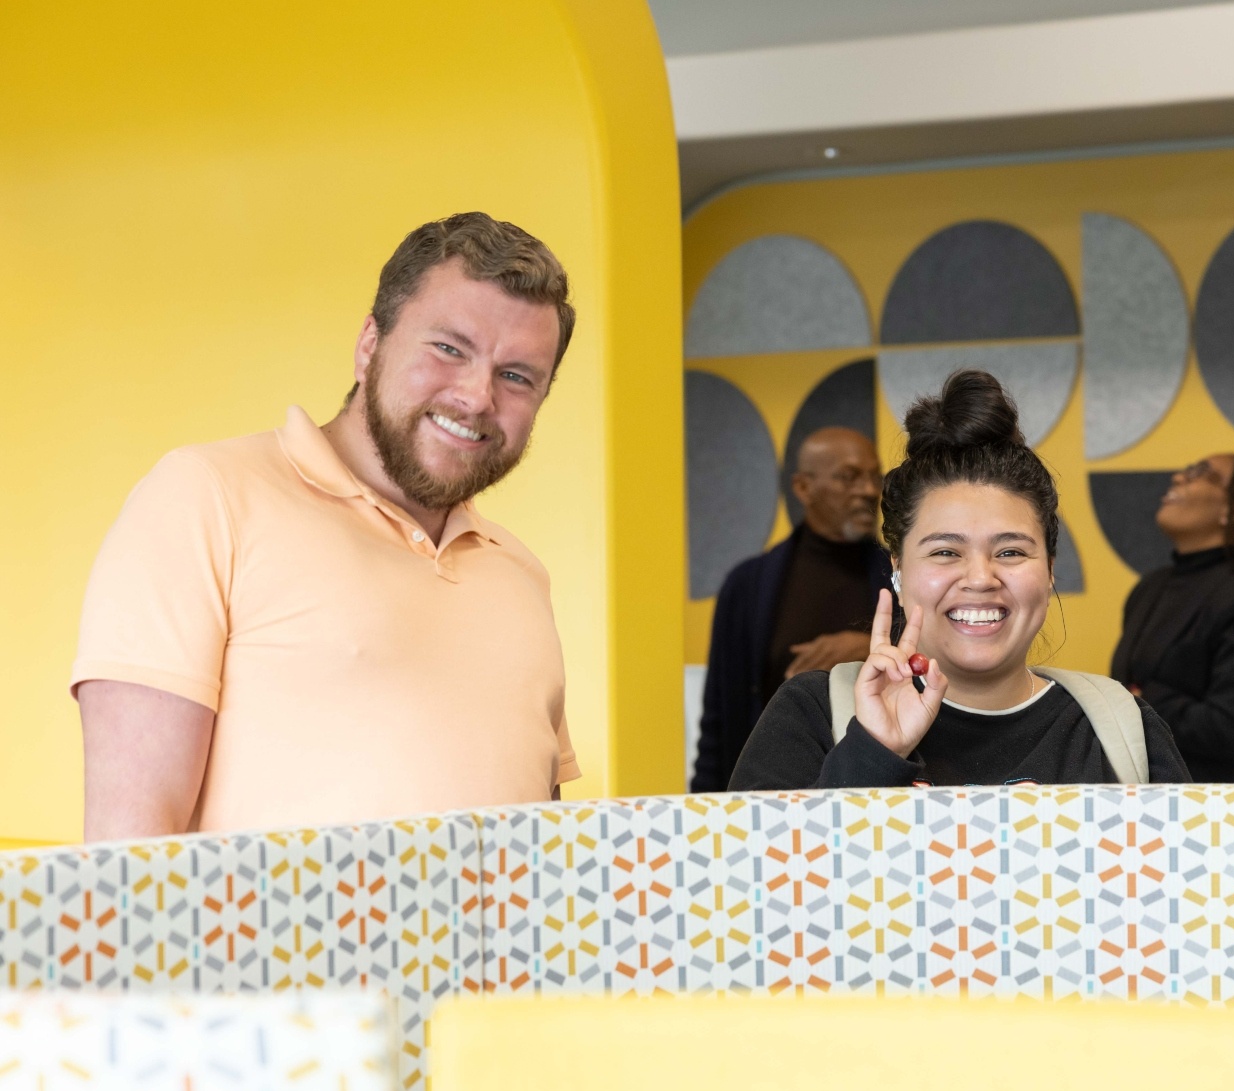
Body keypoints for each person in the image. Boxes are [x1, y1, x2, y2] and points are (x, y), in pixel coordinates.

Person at [73, 213, 581, 838]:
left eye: (516, 377)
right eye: (449, 348)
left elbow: (550, 859)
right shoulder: (205, 497)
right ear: (371, 345)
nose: (478, 397)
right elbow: (127, 859)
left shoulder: (521, 575)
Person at [730, 369, 1190, 789]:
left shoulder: (1121, 727)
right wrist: (873, 754)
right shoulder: (812, 714)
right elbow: (759, 878)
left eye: (1010, 551)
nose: (980, 577)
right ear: (898, 569)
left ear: (1049, 570)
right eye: (946, 551)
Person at [690, 427, 890, 791]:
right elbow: (718, 724)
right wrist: (704, 816)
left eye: (874, 477)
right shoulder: (746, 586)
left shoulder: (900, 574)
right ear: (803, 488)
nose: (868, 491)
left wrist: (866, 648)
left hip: (875, 787)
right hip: (766, 795)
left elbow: (938, 667)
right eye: (849, 477)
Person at [1111, 455, 1234, 780]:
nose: (1179, 476)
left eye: (1201, 475)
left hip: (1207, 808)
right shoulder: (1148, 588)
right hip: (1135, 794)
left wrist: (1141, 701)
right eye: (1186, 468)